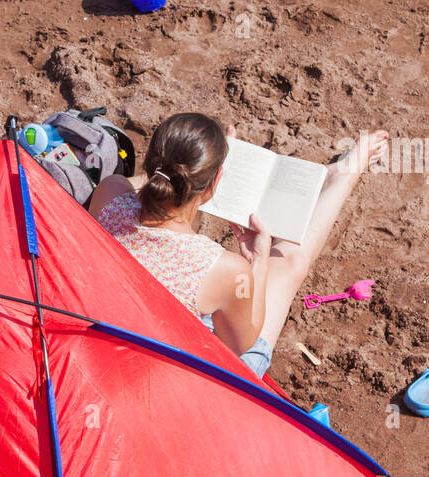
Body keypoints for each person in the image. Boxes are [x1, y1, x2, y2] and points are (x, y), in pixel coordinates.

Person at [88, 112, 387, 376]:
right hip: (179, 377)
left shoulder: (109, 192)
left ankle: (338, 174)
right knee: (290, 261)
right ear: (215, 182)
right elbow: (241, 344)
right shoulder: (222, 269)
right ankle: (346, 173)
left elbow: (148, 185)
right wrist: (258, 261)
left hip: (118, 336)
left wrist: (204, 178)